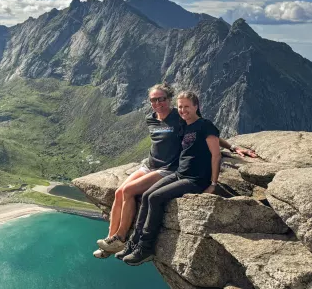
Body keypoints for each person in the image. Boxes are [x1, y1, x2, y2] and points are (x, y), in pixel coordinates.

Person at [94, 85, 256, 259]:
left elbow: (207, 132)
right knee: (119, 192)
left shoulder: (178, 117)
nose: (158, 103)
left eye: (162, 99)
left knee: (129, 191)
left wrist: (233, 147)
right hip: (149, 164)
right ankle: (110, 241)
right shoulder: (151, 119)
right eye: (154, 100)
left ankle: (121, 237)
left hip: (167, 168)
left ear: (169, 99)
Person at [119, 91, 222, 266]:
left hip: (195, 179)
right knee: (146, 195)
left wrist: (213, 184)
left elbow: (216, 154)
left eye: (187, 106)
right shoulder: (185, 126)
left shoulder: (205, 125)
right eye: (180, 107)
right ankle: (134, 242)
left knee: (155, 197)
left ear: (196, 106)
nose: (183, 110)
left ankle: (146, 247)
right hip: (179, 174)